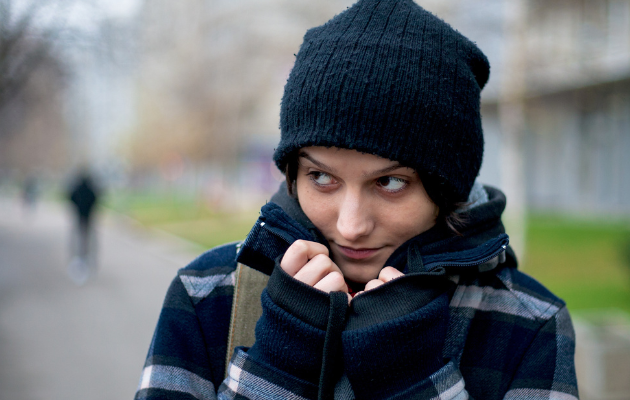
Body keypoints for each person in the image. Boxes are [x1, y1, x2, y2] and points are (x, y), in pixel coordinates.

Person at [135, 1, 578, 399]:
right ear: (292, 174)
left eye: (390, 183)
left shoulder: (527, 325)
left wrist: (408, 378)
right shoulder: (206, 297)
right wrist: (279, 364)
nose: (350, 225)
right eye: (322, 177)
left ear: (447, 190)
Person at [67, 169, 100, 283]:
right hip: (88, 217)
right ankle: (85, 258)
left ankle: (80, 258)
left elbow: (71, 197)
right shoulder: (90, 189)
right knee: (87, 239)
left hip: (80, 216)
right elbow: (95, 199)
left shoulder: (77, 189)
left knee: (79, 239)